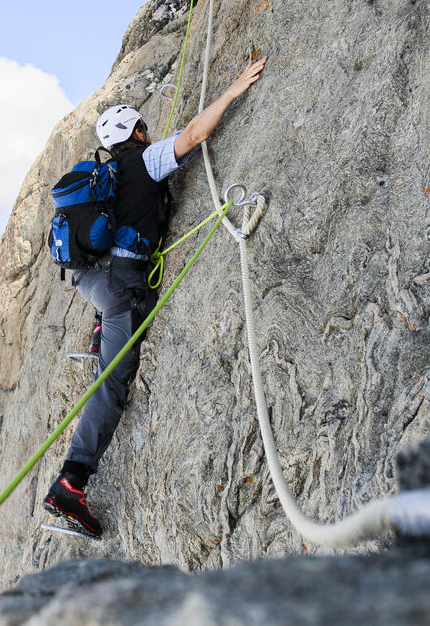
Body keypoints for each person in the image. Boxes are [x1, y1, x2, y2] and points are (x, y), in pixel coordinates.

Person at [43, 55, 268, 537]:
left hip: (90, 280)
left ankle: (102, 329)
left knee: (111, 310)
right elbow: (192, 135)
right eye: (144, 127)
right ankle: (70, 483)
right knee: (113, 382)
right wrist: (231, 92)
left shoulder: (103, 177)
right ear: (138, 132)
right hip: (121, 288)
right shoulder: (145, 160)